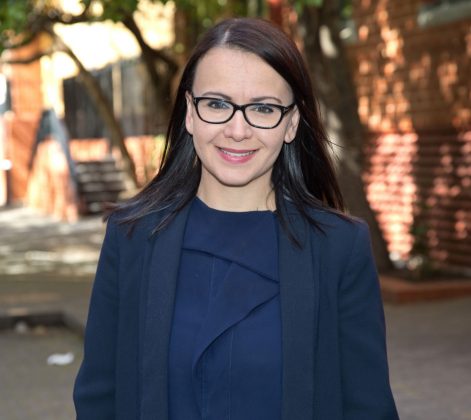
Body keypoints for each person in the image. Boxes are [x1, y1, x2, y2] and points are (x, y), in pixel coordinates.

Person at [73, 17, 399, 420]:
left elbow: (368, 408)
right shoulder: (132, 237)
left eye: (263, 108)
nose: (237, 129)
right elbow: (99, 399)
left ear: (291, 123)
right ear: (190, 113)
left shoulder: (338, 248)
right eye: (217, 104)